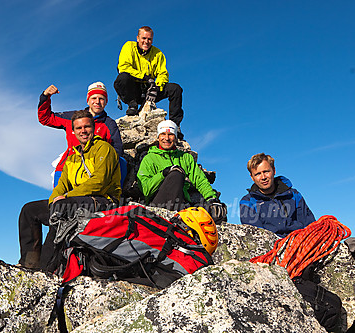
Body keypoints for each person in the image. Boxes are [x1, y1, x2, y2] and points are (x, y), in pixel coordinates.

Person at [18, 110, 121, 270]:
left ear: (93, 128)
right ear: (73, 131)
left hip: (103, 201)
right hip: (76, 200)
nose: (83, 131)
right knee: (29, 210)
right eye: (79, 128)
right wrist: (54, 199)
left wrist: (65, 197)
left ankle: (46, 269)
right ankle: (30, 263)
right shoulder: (72, 156)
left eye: (87, 126)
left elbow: (100, 182)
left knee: (61, 209)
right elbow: (62, 185)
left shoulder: (104, 149)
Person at [137, 120, 226, 223]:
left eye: (170, 134)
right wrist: (163, 174)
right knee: (176, 174)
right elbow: (145, 190)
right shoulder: (149, 159)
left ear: (175, 137)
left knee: (218, 211)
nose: (166, 138)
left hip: (181, 202)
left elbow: (199, 179)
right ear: (158, 137)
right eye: (163, 134)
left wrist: (212, 199)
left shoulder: (185, 157)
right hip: (158, 203)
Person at [38, 81, 123, 186]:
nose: (97, 101)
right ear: (88, 101)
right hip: (66, 168)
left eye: (101, 99)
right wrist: (45, 96)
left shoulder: (109, 124)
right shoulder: (73, 117)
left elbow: (117, 150)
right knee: (59, 200)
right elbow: (45, 118)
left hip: (92, 171)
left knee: (121, 162)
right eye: (94, 98)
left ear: (106, 102)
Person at [114, 26, 184, 130]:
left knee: (175, 89)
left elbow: (163, 73)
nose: (146, 42)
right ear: (138, 38)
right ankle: (132, 105)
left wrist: (157, 86)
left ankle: (175, 125)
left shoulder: (158, 54)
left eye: (149, 39)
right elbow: (124, 67)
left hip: (150, 91)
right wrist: (145, 77)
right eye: (143, 38)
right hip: (133, 89)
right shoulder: (128, 46)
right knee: (122, 78)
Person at [240, 153, 315, 237]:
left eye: (266, 171)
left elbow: (310, 225)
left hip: (300, 243)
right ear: (252, 177)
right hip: (271, 246)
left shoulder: (294, 195)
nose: (263, 177)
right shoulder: (247, 202)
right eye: (258, 174)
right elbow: (256, 237)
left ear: (274, 170)